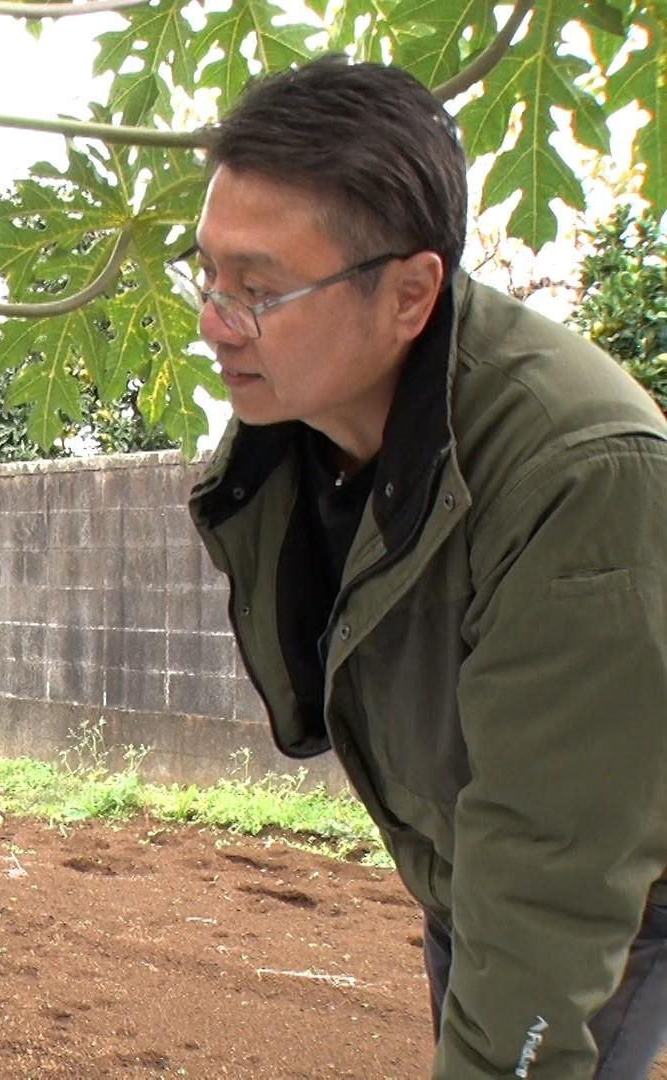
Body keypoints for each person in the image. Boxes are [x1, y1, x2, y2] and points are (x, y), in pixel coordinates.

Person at [178, 56, 667, 1077]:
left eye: (258, 289)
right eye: (207, 274)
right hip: (475, 873)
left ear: (409, 295)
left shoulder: (580, 476)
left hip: (615, 899)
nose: (214, 320)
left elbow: (554, 867)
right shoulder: (301, 427)